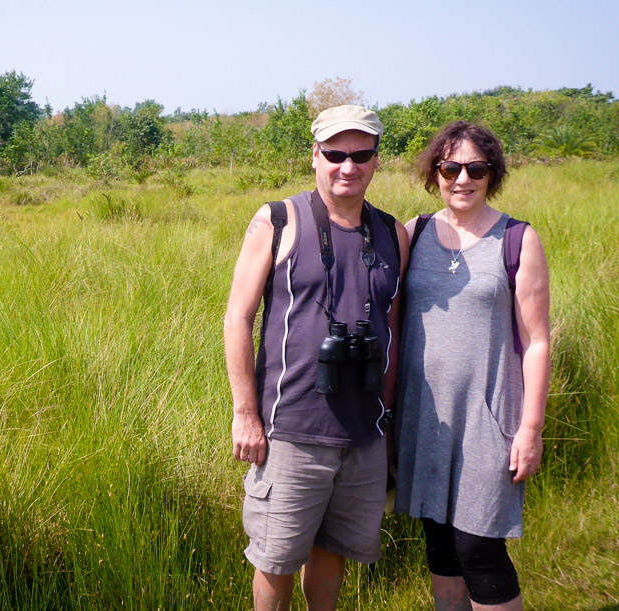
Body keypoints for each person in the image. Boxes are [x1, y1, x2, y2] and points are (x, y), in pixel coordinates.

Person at [223, 105, 408, 610]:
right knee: (276, 560)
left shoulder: (394, 234)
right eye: (335, 154)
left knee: (334, 554)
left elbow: (392, 329)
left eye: (361, 154)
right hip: (290, 432)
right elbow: (237, 317)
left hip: (364, 435)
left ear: (376, 160)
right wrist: (245, 415)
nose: (348, 167)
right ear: (315, 155)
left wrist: (388, 424)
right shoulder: (278, 220)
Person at [394, 121, 551, 610]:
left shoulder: (518, 240)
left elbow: (537, 340)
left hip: (488, 417)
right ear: (434, 173)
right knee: (440, 547)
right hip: (424, 418)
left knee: (478, 547)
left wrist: (531, 428)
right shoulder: (413, 233)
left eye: (476, 168)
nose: (462, 179)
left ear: (492, 174)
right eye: (450, 167)